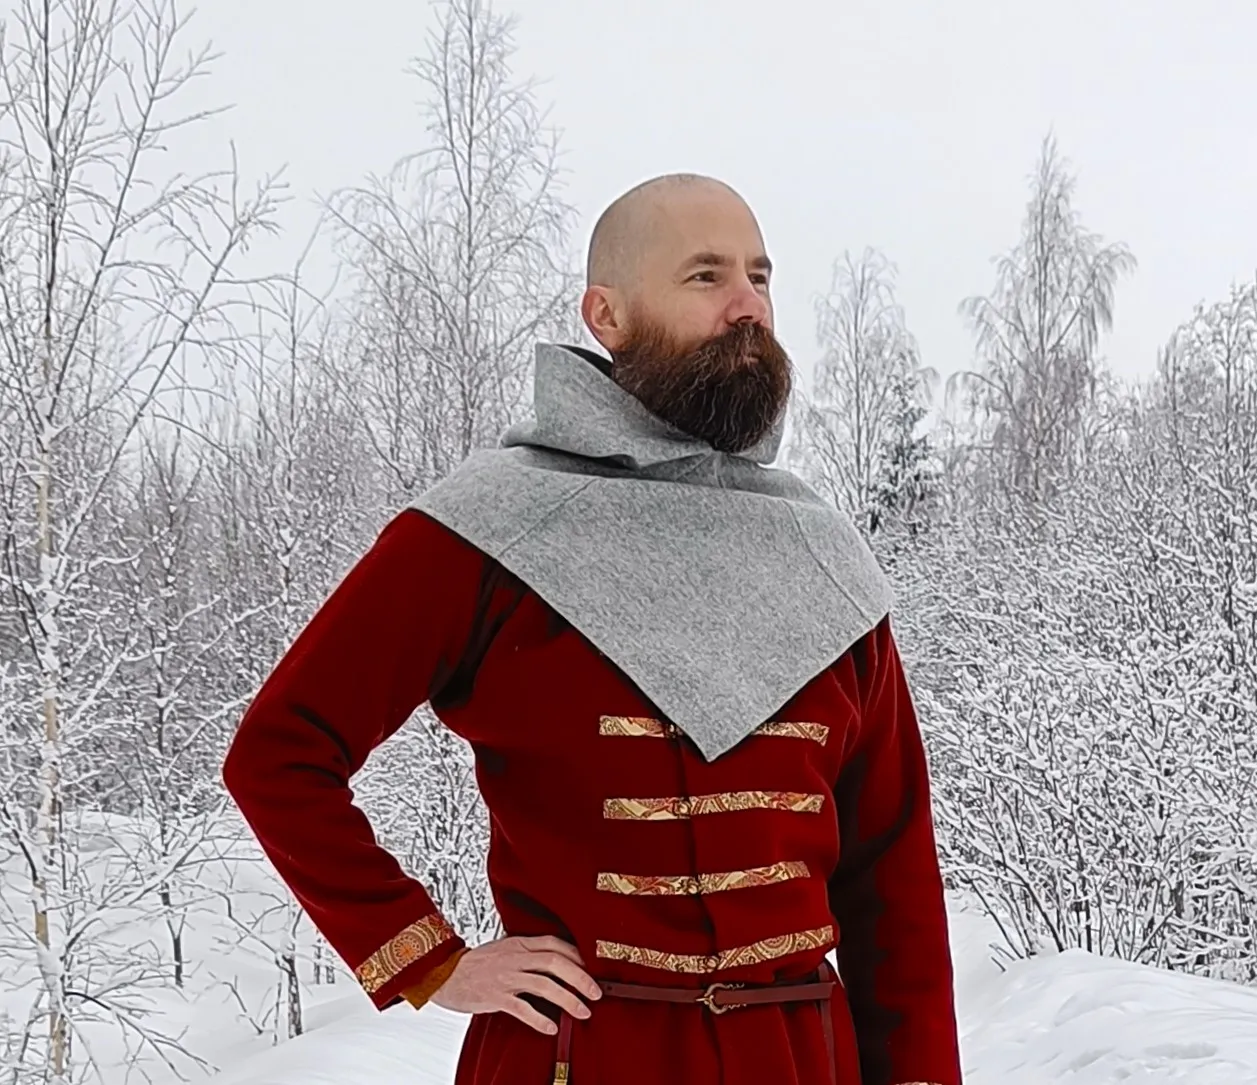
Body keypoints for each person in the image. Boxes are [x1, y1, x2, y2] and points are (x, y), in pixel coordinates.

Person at [221, 174, 962, 1085]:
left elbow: (890, 867)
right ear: (605, 314)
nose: (747, 305)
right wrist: (428, 959)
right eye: (705, 275)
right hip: (581, 1052)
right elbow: (280, 752)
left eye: (759, 276)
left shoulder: (823, 555)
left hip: (801, 1057)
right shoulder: (492, 526)